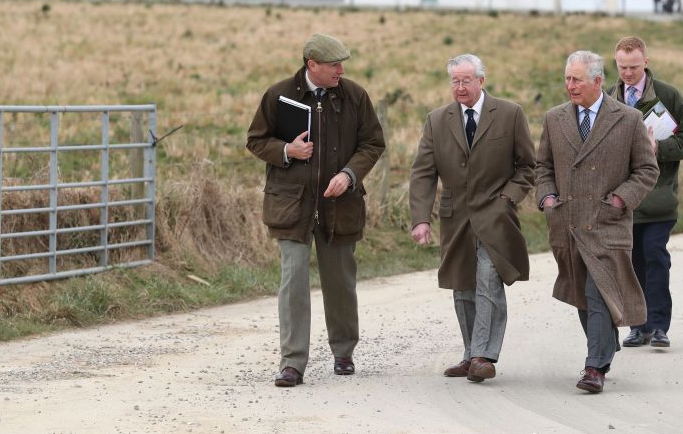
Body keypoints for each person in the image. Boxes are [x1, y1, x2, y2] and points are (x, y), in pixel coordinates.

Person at [246, 33, 385, 387]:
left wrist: (349, 174)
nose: (341, 70)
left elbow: (373, 143)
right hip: (291, 205)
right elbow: (256, 140)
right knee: (293, 281)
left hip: (341, 204)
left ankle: (343, 352)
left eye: (343, 64)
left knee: (339, 281)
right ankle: (292, 363)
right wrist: (287, 151)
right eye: (334, 64)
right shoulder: (278, 95)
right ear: (312, 65)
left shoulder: (355, 96)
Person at [535, 51, 658, 394]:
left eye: (577, 79)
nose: (569, 86)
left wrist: (621, 198)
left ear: (598, 81)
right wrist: (547, 198)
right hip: (569, 223)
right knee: (583, 297)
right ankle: (604, 345)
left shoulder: (629, 119)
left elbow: (647, 170)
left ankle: (595, 367)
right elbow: (541, 167)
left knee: (598, 290)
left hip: (607, 223)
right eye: (567, 79)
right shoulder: (554, 118)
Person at [409, 54, 537, 383]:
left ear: (482, 80)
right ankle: (470, 354)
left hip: (496, 217)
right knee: (462, 286)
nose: (460, 87)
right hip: (455, 219)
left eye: (466, 80)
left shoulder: (509, 114)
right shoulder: (437, 120)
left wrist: (508, 198)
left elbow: (527, 167)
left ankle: (483, 355)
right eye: (455, 81)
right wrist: (421, 219)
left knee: (488, 281)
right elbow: (423, 173)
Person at [607, 36, 683, 350]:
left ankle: (659, 326)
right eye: (622, 67)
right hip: (625, 201)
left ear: (645, 61)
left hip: (660, 199)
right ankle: (638, 326)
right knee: (633, 265)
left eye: (634, 67)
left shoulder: (668, 96)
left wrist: (659, 148)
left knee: (655, 258)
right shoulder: (609, 99)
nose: (628, 73)